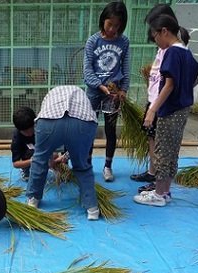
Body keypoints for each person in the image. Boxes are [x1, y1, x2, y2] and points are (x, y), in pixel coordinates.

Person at [134, 14, 198, 207]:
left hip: (170, 110)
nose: (155, 40)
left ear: (164, 31)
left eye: (155, 36)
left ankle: (159, 194)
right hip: (184, 109)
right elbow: (194, 79)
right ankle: (165, 191)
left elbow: (169, 85)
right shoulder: (186, 52)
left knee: (162, 151)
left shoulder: (172, 52)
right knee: (172, 151)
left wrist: (152, 109)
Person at [25, 85, 100, 221]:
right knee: (82, 167)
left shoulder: (51, 93)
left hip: (50, 122)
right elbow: (75, 146)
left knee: (39, 160)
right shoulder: (81, 93)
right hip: (83, 123)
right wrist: (68, 156)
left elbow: (45, 152)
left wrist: (49, 160)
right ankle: (92, 209)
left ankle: (33, 200)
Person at [83, 1, 130, 182]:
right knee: (88, 128)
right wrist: (100, 86)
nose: (112, 29)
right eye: (109, 24)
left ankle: (108, 166)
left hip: (115, 93)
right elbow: (87, 70)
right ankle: (87, 163)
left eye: (117, 25)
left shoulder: (124, 41)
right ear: (103, 20)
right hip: (94, 91)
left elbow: (125, 66)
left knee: (110, 130)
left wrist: (123, 89)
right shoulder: (93, 41)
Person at [11, 106, 36, 181]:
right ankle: (25, 171)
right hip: (29, 157)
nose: (30, 133)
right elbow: (16, 163)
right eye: (26, 131)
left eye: (31, 129)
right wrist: (31, 161)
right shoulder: (17, 139)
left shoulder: (40, 128)